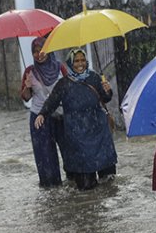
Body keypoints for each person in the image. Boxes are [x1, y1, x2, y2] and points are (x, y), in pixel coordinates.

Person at [34, 48, 117, 190]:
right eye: (76, 61)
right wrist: (42, 114)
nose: (80, 64)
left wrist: (108, 90)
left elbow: (105, 98)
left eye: (82, 60)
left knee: (108, 181)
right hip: (77, 134)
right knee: (85, 185)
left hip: (98, 130)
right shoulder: (64, 83)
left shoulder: (94, 77)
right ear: (71, 63)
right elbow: (52, 102)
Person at [21, 37, 68, 187]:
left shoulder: (60, 68)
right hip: (38, 118)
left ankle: (72, 182)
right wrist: (27, 86)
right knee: (45, 156)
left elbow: (70, 88)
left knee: (68, 151)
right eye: (34, 52)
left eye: (41, 50)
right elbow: (26, 97)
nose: (38, 54)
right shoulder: (30, 71)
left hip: (60, 115)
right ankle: (50, 187)